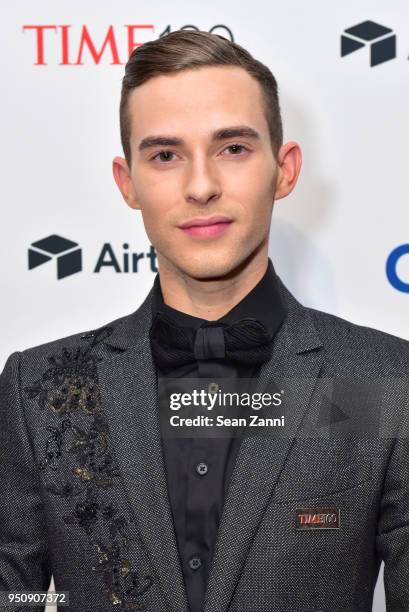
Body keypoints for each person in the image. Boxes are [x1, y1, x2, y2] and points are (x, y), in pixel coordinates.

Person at [1, 29, 409, 612]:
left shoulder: (388, 383)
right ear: (128, 183)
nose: (201, 186)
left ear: (284, 170)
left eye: (233, 148)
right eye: (165, 155)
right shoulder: (39, 389)